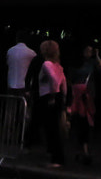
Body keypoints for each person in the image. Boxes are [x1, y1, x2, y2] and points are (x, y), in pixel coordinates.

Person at [67, 43, 101, 166]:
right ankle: (82, 150)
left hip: (88, 98)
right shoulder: (75, 65)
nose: (89, 53)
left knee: (87, 125)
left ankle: (84, 150)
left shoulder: (92, 63)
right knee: (80, 124)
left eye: (91, 51)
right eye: (87, 51)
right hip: (78, 98)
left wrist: (97, 56)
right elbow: (69, 79)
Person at [36, 40, 69, 169]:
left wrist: (53, 96)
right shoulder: (58, 65)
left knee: (51, 128)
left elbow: (54, 80)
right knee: (54, 128)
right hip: (58, 97)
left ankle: (57, 158)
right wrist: (63, 98)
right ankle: (55, 155)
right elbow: (64, 83)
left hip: (49, 97)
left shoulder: (47, 64)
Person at [6, 31, 37, 101]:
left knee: (11, 106)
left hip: (11, 83)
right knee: (23, 107)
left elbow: (7, 64)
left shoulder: (10, 51)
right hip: (24, 86)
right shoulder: (32, 53)